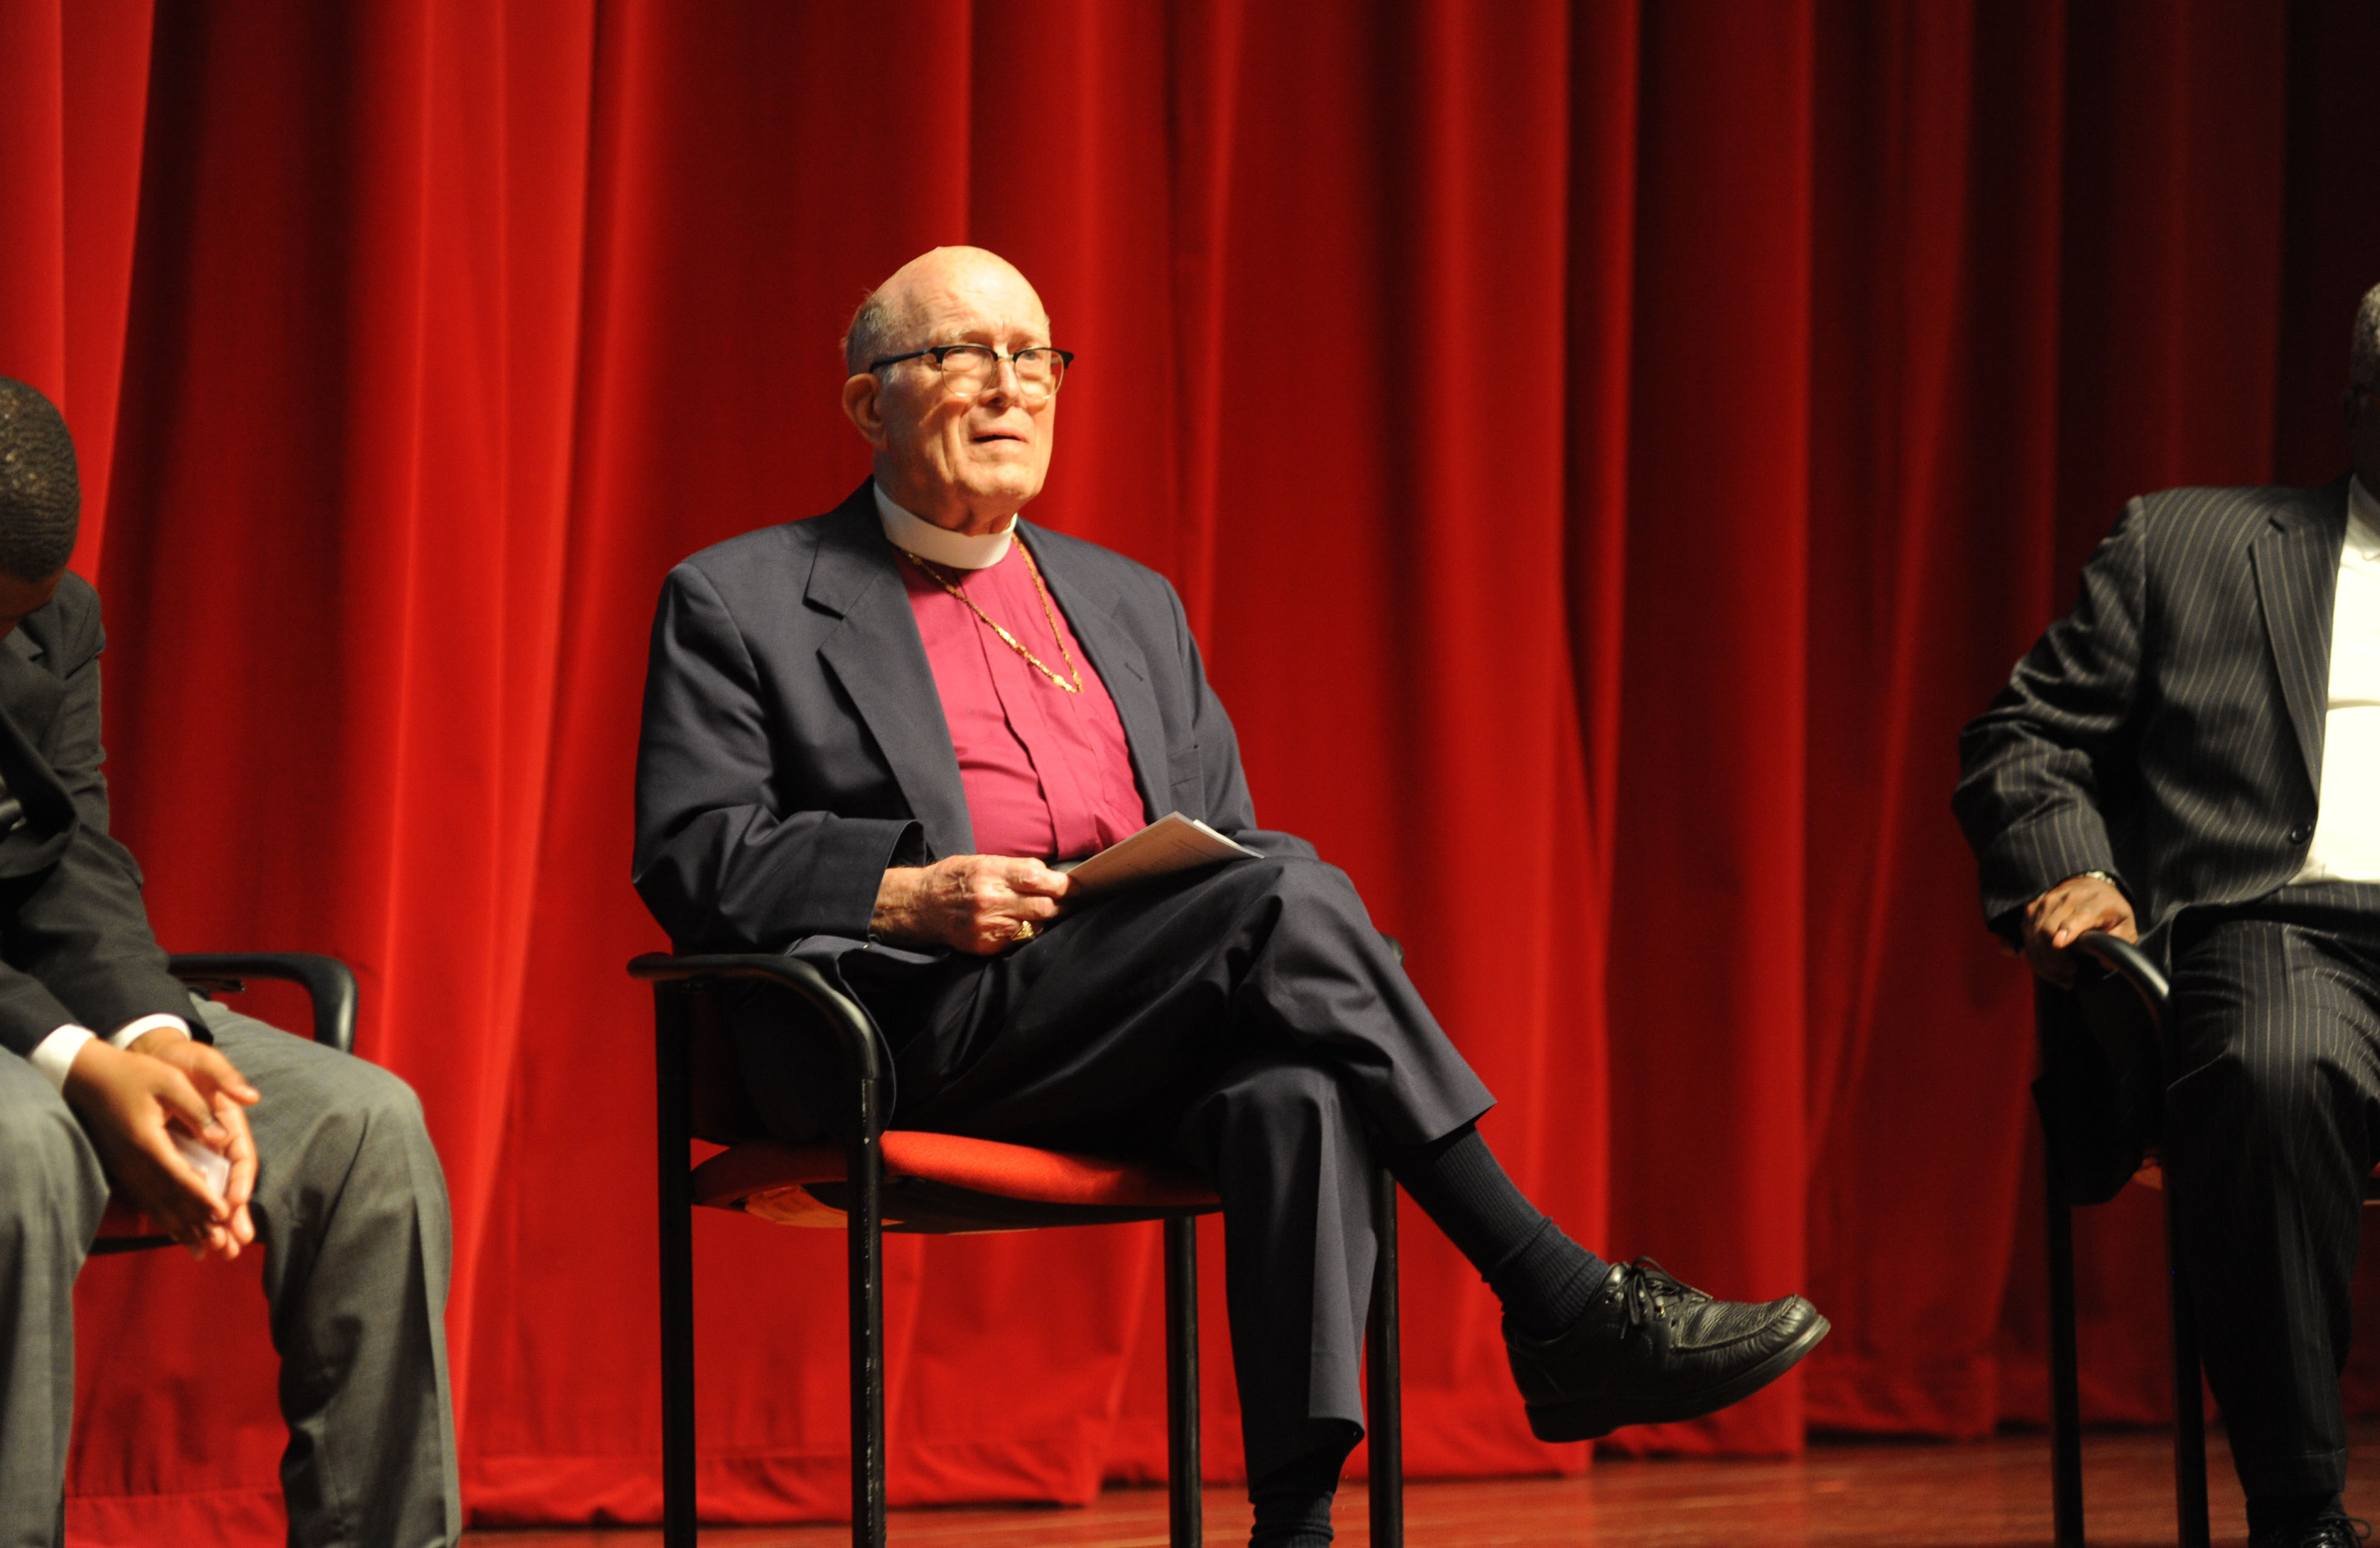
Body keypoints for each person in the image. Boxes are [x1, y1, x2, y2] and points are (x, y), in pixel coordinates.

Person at [633, 246, 1829, 1547]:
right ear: (869, 404)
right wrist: (908, 892)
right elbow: (691, 850)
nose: (1008, 387)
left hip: (1119, 1024)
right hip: (910, 1027)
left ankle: (1295, 1524)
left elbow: (1226, 846)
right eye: (962, 355)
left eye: (1034, 357)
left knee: (1299, 1087)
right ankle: (1556, 1298)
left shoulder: (1127, 603)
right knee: (1291, 899)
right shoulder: (739, 598)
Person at [0, 373, 458, 1548]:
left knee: (370, 1127)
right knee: (11, 1136)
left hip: (31, 988)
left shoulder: (48, 619)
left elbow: (76, 863)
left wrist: (154, 1036)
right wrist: (76, 1064)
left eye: (13, 625)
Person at [1954, 272, 2380, 1548]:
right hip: (2297, 930)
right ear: (2356, 408)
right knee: (2266, 1074)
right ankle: (2299, 1510)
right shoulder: (2190, 547)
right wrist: (2071, 868)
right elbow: (2022, 737)